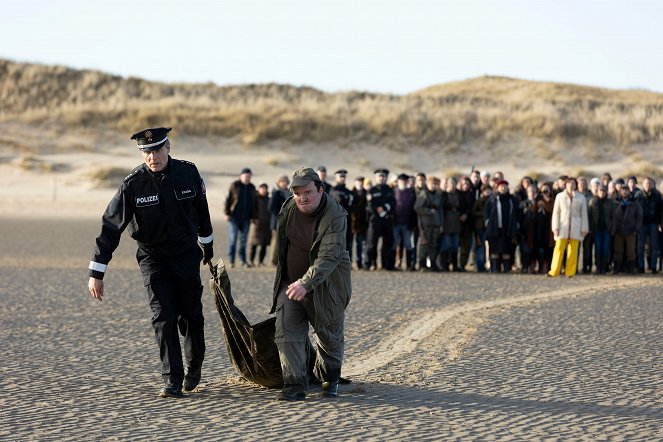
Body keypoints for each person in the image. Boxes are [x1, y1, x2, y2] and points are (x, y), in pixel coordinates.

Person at [87, 127, 214, 398]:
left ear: (168, 147)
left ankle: (194, 366)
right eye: (146, 152)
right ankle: (172, 379)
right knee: (163, 316)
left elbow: (202, 211)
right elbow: (111, 226)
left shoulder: (188, 172)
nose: (152, 157)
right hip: (153, 257)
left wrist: (208, 247)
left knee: (192, 315)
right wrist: (97, 271)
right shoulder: (133, 184)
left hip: (186, 254)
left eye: (156, 149)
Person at [270, 167, 352, 401]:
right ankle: (295, 383)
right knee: (287, 331)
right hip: (291, 284)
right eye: (297, 193)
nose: (302, 198)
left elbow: (329, 255)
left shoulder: (335, 216)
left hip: (327, 286)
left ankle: (330, 378)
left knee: (329, 336)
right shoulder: (288, 207)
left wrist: (306, 282)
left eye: (307, 192)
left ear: (320, 189)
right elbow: (284, 241)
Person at [548, 177, 589, 278]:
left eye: (573, 184)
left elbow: (584, 214)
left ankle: (570, 271)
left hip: (576, 226)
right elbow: (556, 213)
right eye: (569, 183)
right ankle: (554, 271)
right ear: (565, 185)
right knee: (558, 249)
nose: (571, 185)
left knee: (573, 251)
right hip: (562, 226)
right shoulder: (560, 196)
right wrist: (555, 228)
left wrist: (584, 228)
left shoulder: (581, 198)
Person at [224, 167, 258, 268]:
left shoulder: (252, 187)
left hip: (246, 218)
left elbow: (255, 204)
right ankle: (231, 261)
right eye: (245, 176)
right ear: (241, 176)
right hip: (234, 217)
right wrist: (227, 213)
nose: (247, 178)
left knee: (243, 240)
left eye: (249, 176)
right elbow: (228, 199)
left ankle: (243, 260)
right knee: (233, 239)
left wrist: (255, 217)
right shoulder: (235, 185)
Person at [484, 180, 519, 273]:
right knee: (495, 251)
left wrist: (516, 224)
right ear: (497, 188)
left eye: (505, 186)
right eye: (501, 186)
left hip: (508, 229)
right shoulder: (492, 199)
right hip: (495, 229)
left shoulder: (512, 200)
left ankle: (507, 268)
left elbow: (517, 212)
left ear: (507, 188)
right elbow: (486, 212)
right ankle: (495, 268)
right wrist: (487, 222)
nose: (503, 188)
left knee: (506, 251)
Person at [366, 168, 396, 270]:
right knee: (371, 243)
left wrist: (384, 208)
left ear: (386, 178)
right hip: (375, 219)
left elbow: (393, 203)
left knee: (388, 242)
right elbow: (370, 205)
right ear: (376, 177)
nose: (382, 178)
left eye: (384, 176)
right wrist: (377, 209)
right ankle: (370, 263)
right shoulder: (372, 190)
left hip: (387, 219)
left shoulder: (390, 189)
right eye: (380, 176)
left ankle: (386, 265)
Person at [414, 176, 444, 271]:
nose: (434, 186)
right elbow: (417, 207)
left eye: (436, 184)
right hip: (425, 223)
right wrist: (428, 211)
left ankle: (433, 263)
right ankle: (422, 264)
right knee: (424, 244)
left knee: (433, 244)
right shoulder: (423, 194)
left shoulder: (438, 195)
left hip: (436, 223)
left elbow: (440, 210)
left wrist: (441, 224)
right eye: (432, 184)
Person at [612, 185, 643, 274]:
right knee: (618, 250)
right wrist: (613, 229)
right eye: (622, 190)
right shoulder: (616, 202)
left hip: (630, 230)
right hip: (618, 230)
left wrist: (636, 228)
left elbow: (639, 215)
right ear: (620, 192)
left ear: (629, 191)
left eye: (626, 190)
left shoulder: (634, 202)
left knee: (631, 251)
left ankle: (630, 269)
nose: (624, 192)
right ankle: (617, 269)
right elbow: (612, 216)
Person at [636, 177, 662, 274]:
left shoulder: (657, 195)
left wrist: (660, 223)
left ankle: (653, 267)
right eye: (646, 183)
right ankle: (641, 267)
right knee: (640, 246)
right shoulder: (638, 195)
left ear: (652, 185)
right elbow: (635, 210)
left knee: (654, 246)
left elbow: (661, 211)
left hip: (653, 224)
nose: (647, 185)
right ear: (643, 185)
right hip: (641, 224)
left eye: (649, 183)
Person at [588, 185, 615, 274]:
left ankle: (604, 267)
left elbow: (613, 217)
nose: (602, 192)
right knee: (598, 249)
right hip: (597, 230)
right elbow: (590, 216)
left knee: (605, 249)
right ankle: (598, 267)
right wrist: (590, 228)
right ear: (597, 191)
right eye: (600, 190)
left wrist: (612, 228)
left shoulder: (610, 202)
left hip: (607, 229)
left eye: (604, 191)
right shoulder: (593, 201)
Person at [392, 173, 417, 271]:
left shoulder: (411, 194)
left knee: (408, 244)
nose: (403, 182)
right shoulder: (394, 192)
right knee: (395, 243)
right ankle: (393, 264)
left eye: (404, 181)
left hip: (407, 223)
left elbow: (413, 210)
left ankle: (409, 265)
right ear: (398, 182)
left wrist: (412, 223)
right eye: (401, 181)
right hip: (396, 223)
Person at [330, 169, 354, 257]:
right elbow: (340, 201)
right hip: (338, 221)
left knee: (348, 242)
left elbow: (352, 204)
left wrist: (347, 199)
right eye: (340, 177)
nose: (342, 178)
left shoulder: (348, 191)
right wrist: (347, 199)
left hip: (348, 220)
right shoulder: (334, 190)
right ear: (336, 178)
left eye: (344, 177)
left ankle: (347, 261)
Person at [269, 175, 291, 265]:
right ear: (278, 183)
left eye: (285, 181)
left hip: (288, 221)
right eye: (282, 181)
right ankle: (273, 260)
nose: (284, 183)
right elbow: (271, 207)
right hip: (277, 221)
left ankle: (282, 260)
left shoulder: (290, 193)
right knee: (275, 241)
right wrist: (280, 215)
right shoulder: (276, 193)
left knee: (285, 242)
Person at [249, 183, 272, 267]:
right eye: (262, 188)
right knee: (253, 244)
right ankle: (251, 261)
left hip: (267, 224)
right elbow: (251, 209)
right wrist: (254, 218)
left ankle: (261, 262)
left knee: (264, 245)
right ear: (258, 189)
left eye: (265, 188)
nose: (264, 190)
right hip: (256, 224)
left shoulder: (269, 199)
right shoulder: (255, 199)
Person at [351, 176, 369, 269]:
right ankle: (349, 263)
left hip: (363, 223)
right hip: (352, 222)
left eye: (361, 181)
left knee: (361, 244)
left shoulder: (366, 194)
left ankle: (360, 263)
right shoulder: (351, 193)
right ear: (355, 183)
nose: (360, 183)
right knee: (350, 245)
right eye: (358, 181)